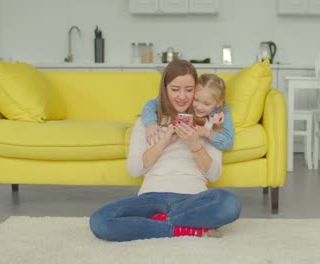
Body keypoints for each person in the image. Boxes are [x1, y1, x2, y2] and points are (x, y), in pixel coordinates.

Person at [89, 60, 241, 241]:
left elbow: (214, 175)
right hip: (151, 198)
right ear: (165, 89)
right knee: (100, 220)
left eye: (189, 90)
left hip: (192, 199)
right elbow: (134, 170)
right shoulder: (147, 123)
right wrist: (163, 142)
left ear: (197, 90)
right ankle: (186, 229)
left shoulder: (208, 125)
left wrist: (195, 144)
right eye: (175, 89)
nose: (182, 96)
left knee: (231, 203)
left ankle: (154, 223)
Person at [140, 73, 234, 151]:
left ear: (218, 103)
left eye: (206, 104)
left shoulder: (223, 110)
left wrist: (205, 132)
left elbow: (228, 144)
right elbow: (152, 104)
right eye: (196, 100)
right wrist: (150, 123)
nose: (199, 107)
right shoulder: (186, 99)